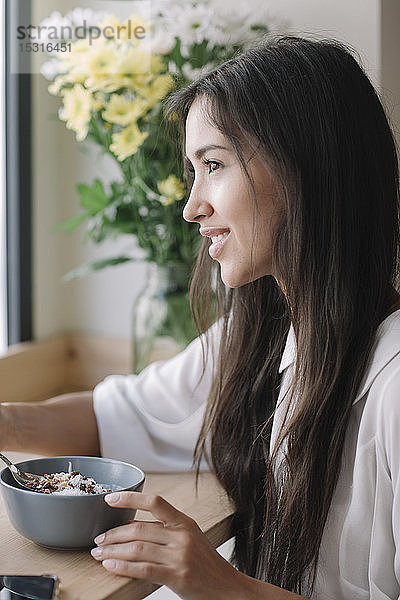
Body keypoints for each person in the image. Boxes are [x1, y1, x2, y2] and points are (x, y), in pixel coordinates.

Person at [1, 35, 400, 599]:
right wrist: (7, 421)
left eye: (214, 165)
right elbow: (120, 415)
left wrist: (223, 585)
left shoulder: (393, 386)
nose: (193, 207)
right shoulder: (263, 333)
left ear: (306, 168)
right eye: (193, 171)